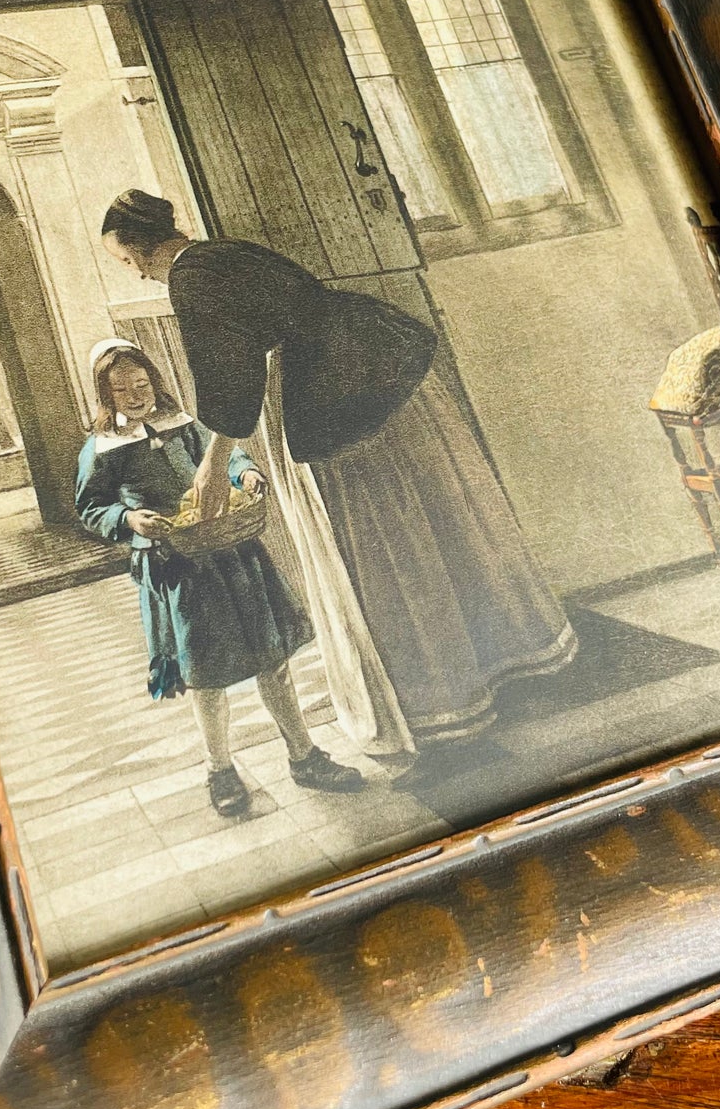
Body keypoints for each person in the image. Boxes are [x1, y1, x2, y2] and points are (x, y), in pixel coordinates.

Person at [100, 192, 576, 746]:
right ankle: (510, 654)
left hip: (334, 394)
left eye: (126, 263)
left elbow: (230, 375)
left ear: (139, 251)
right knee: (434, 514)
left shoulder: (193, 278)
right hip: (375, 362)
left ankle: (439, 693)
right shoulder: (221, 253)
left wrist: (212, 465)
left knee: (384, 537)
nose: (134, 277)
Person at [74, 338, 364, 818]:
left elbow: (224, 458)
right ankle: (220, 769)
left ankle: (304, 756)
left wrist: (245, 474)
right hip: (180, 568)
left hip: (231, 553)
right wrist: (128, 520)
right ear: (105, 395)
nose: (135, 394)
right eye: (121, 389)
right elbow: (91, 507)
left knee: (273, 660)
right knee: (206, 676)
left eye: (142, 383)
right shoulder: (102, 449)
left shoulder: (182, 424)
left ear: (155, 381)